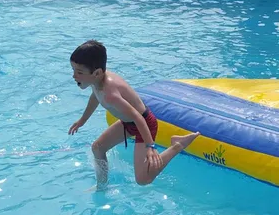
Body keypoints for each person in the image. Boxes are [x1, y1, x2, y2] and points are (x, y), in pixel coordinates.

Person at [68, 40, 199, 188]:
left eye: (79, 72)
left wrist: (151, 146)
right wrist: (82, 120)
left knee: (143, 180)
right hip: (128, 123)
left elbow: (138, 117)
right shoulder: (97, 81)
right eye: (73, 70)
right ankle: (101, 187)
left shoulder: (111, 94)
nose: (74, 76)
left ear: (97, 72)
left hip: (144, 124)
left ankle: (177, 145)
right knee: (98, 148)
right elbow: (95, 97)